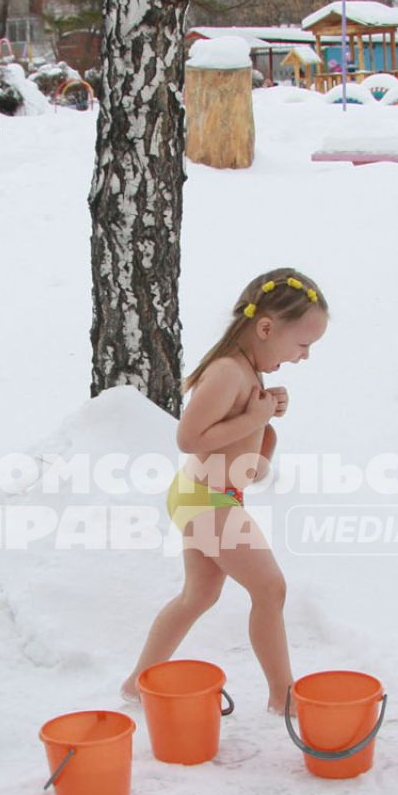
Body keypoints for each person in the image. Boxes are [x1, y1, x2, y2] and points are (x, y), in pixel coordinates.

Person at [123, 268, 330, 715]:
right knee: (270, 589)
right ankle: (283, 695)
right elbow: (189, 438)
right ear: (266, 328)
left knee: (198, 596)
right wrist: (254, 421)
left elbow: (245, 465)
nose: (304, 356)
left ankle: (137, 683)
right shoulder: (227, 373)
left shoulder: (247, 373)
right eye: (302, 344)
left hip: (211, 496)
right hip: (206, 499)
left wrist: (266, 432)